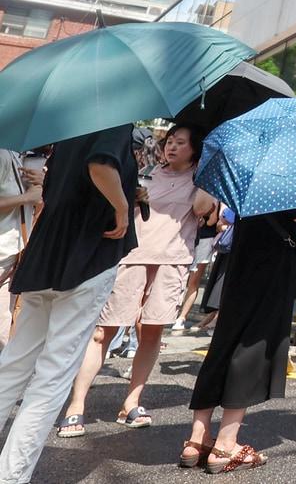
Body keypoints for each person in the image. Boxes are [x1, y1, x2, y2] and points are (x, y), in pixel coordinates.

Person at [0, 126, 136, 484]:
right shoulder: (117, 118)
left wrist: (127, 191)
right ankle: (10, 476)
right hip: (88, 256)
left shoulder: (73, 123)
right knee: (53, 376)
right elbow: (100, 165)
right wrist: (122, 208)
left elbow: (63, 183)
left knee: (13, 365)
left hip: (47, 255)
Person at [60, 125, 217, 435]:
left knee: (151, 332)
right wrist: (134, 194)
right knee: (103, 332)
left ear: (195, 150)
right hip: (132, 256)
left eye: (181, 143)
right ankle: (76, 405)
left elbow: (201, 210)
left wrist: (207, 174)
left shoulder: (202, 180)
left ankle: (131, 402)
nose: (171, 146)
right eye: (169, 141)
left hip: (172, 261)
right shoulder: (145, 172)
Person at [184, 207, 296, 472]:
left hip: (239, 262)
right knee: (252, 347)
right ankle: (225, 444)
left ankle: (196, 440)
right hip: (273, 267)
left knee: (222, 344)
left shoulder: (247, 176)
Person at [0, 150, 43, 348]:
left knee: (5, 337)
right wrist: (27, 198)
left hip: (11, 256)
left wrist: (40, 185)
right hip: (5, 255)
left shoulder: (14, 153)